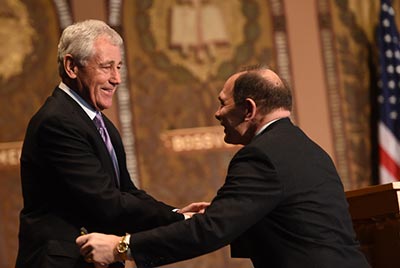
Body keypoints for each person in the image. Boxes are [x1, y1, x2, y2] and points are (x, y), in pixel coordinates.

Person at [76, 66, 371, 268]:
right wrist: (223, 214)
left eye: (222, 104)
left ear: (249, 109)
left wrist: (121, 247)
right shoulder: (311, 150)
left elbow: (211, 231)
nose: (217, 113)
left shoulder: (261, 156)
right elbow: (294, 224)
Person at [15, 19, 207, 268]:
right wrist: (182, 222)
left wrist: (176, 214)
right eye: (106, 67)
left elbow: (126, 191)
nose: (116, 78)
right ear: (71, 66)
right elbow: (106, 202)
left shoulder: (98, 122)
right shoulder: (57, 122)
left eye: (119, 67)